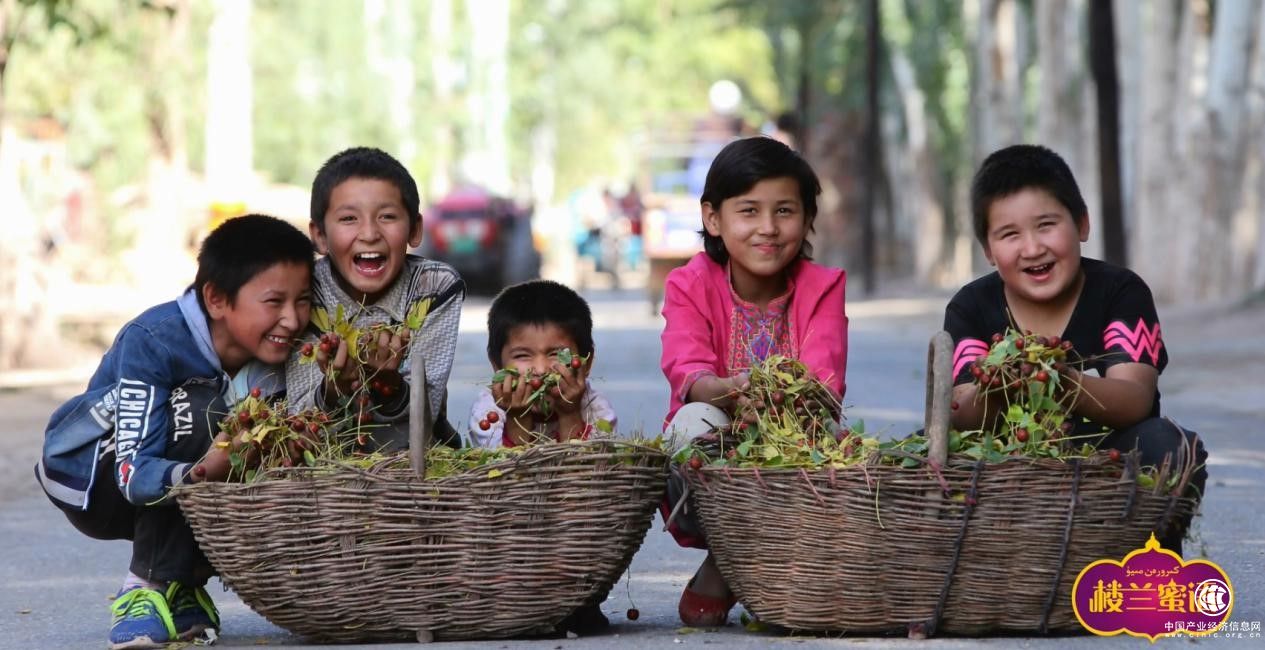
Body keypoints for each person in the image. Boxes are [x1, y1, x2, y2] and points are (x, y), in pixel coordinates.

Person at [36, 214, 315, 649]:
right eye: (274, 302)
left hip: (177, 473)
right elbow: (133, 473)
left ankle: (182, 585)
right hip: (98, 480)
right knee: (204, 410)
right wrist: (205, 470)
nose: (292, 319)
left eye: (303, 301)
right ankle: (144, 588)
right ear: (218, 299)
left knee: (266, 434)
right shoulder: (156, 340)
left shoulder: (286, 357)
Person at [945, 144, 1209, 553]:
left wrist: (1057, 382)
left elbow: (1135, 399)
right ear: (988, 251)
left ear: (1082, 224)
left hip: (1108, 466)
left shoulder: (1121, 291)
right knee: (925, 455)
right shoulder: (970, 306)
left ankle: (1149, 569)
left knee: (1172, 444)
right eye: (1010, 234)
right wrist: (1002, 386)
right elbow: (961, 410)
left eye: (1046, 225)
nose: (1032, 248)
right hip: (1004, 466)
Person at [659, 136, 848, 627]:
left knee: (826, 439)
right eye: (749, 211)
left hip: (795, 436)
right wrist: (740, 393)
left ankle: (731, 564)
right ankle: (732, 548)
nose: (768, 228)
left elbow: (823, 382)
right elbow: (690, 374)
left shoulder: (823, 286)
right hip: (716, 439)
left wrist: (776, 404)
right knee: (690, 424)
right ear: (713, 219)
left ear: (808, 218)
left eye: (784, 211)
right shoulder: (689, 284)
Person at [286, 147, 466, 449]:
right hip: (325, 473)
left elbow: (425, 417)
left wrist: (390, 387)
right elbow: (300, 423)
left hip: (416, 470)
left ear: (415, 229)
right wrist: (334, 389)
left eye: (387, 216)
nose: (369, 233)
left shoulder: (434, 287)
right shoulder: (305, 289)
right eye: (348, 218)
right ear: (319, 236)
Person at [468, 280, 616, 449]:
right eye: (522, 355)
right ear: (496, 365)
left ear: (586, 363)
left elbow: (585, 470)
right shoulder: (487, 412)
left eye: (555, 354)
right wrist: (517, 418)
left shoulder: (596, 409)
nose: (540, 369)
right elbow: (506, 472)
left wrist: (569, 414)